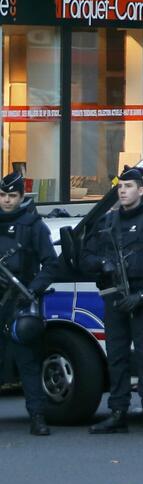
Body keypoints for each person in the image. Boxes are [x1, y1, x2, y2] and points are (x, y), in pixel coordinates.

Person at [82, 167, 143, 437]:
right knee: (117, 357)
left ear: (141, 190)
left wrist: (142, 296)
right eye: (120, 186)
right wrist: (103, 264)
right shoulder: (107, 222)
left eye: (128, 186)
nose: (122, 191)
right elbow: (86, 258)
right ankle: (117, 413)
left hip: (141, 296)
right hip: (114, 296)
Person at [0, 172, 58, 436]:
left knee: (27, 360)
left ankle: (37, 416)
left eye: (12, 196)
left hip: (20, 300)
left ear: (22, 197)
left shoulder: (33, 225)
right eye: (3, 195)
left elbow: (51, 263)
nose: (7, 200)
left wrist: (33, 289)